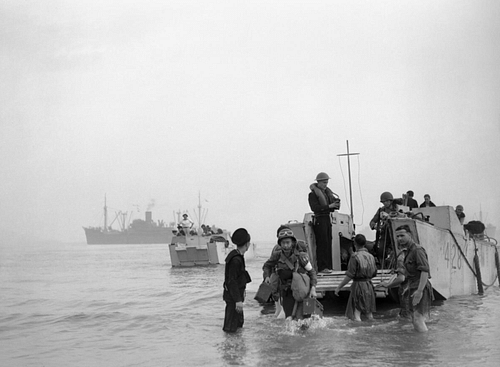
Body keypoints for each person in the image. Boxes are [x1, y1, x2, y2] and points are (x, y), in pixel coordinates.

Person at [377, 225, 433, 332]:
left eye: (402, 235)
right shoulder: (407, 252)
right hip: (412, 287)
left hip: (419, 286)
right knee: (414, 319)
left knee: (418, 319)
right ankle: (419, 343)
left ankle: (424, 345)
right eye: (397, 236)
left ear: (410, 235)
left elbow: (425, 271)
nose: (399, 239)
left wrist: (420, 291)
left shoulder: (417, 250)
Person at [262, 228, 317, 320]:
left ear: (293, 243)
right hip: (287, 292)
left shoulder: (301, 257)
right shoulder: (277, 255)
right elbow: (267, 266)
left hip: (303, 292)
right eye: (283, 243)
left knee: (305, 320)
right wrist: (267, 277)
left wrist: (313, 289)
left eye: (288, 242)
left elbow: (312, 272)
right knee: (289, 319)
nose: (286, 246)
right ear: (280, 244)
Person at [334, 234, 377, 321]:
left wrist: (339, 287)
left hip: (358, 286)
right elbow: (374, 273)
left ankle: (358, 333)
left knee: (356, 313)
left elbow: (350, 275)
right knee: (369, 313)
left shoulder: (354, 257)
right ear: (364, 243)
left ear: (355, 244)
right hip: (369, 286)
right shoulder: (371, 257)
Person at [308, 172, 340, 273]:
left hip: (327, 219)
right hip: (319, 220)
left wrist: (335, 204)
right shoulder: (312, 195)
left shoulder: (327, 193)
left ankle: (328, 266)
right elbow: (315, 208)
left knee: (328, 242)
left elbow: (331, 208)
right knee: (322, 243)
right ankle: (322, 267)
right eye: (324, 183)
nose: (325, 185)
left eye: (326, 182)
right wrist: (328, 206)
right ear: (318, 182)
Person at [222, 228, 252, 333]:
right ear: (247, 244)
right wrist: (238, 300)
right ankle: (230, 347)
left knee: (238, 325)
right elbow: (232, 281)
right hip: (233, 299)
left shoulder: (237, 256)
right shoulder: (236, 259)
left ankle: (236, 347)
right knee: (230, 328)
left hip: (235, 296)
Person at [369, 192, 403, 263]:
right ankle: (383, 264)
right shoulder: (381, 210)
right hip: (385, 233)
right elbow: (372, 222)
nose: (385, 203)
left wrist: (390, 217)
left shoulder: (398, 209)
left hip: (397, 232)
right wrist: (375, 226)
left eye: (387, 201)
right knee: (379, 249)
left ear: (391, 201)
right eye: (383, 202)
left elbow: (402, 218)